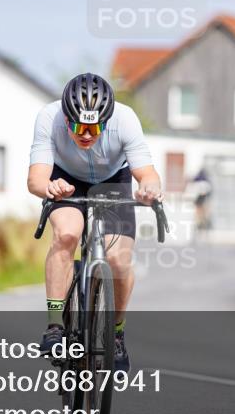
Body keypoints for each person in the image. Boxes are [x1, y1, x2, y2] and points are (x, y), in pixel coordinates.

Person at [27, 73, 162, 373]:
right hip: (66, 179)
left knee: (119, 259)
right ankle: (54, 326)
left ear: (107, 119)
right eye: (78, 126)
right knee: (66, 235)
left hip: (113, 180)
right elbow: (36, 178)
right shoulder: (48, 118)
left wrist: (150, 188)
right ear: (66, 118)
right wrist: (50, 188)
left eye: (95, 127)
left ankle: (115, 333)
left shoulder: (126, 120)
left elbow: (148, 173)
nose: (86, 134)